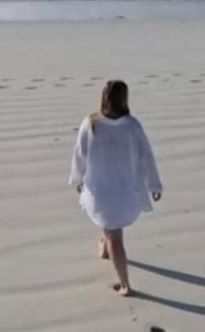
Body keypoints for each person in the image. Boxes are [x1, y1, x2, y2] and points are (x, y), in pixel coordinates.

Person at [68, 80, 162, 295]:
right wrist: (154, 184)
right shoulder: (132, 126)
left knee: (114, 234)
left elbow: (79, 156)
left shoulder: (90, 123)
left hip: (100, 191)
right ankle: (105, 246)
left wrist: (78, 179)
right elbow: (147, 157)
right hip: (124, 191)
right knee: (111, 229)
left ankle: (125, 284)